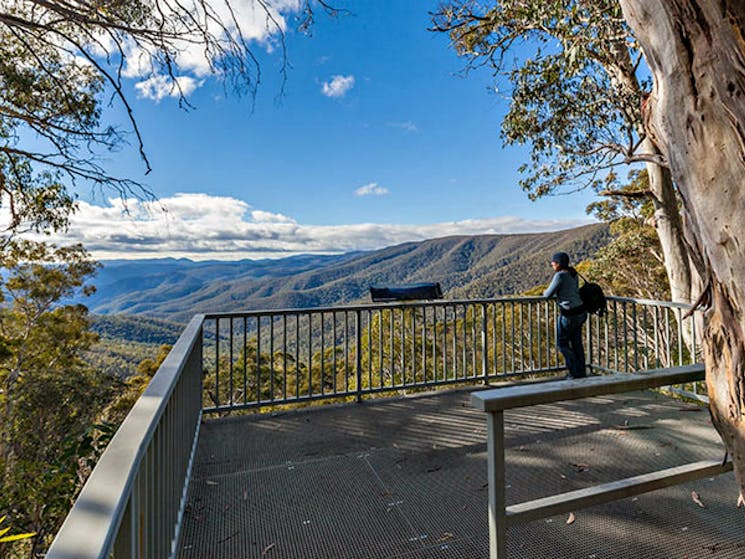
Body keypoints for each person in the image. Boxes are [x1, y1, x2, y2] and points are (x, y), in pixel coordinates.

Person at [543, 252, 587, 379]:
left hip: (569, 315)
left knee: (562, 344)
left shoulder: (560, 276)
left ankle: (574, 372)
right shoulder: (573, 274)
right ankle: (581, 372)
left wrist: (544, 291)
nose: (552, 264)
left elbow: (547, 295)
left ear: (558, 264)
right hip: (580, 312)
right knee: (577, 343)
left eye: (554, 262)